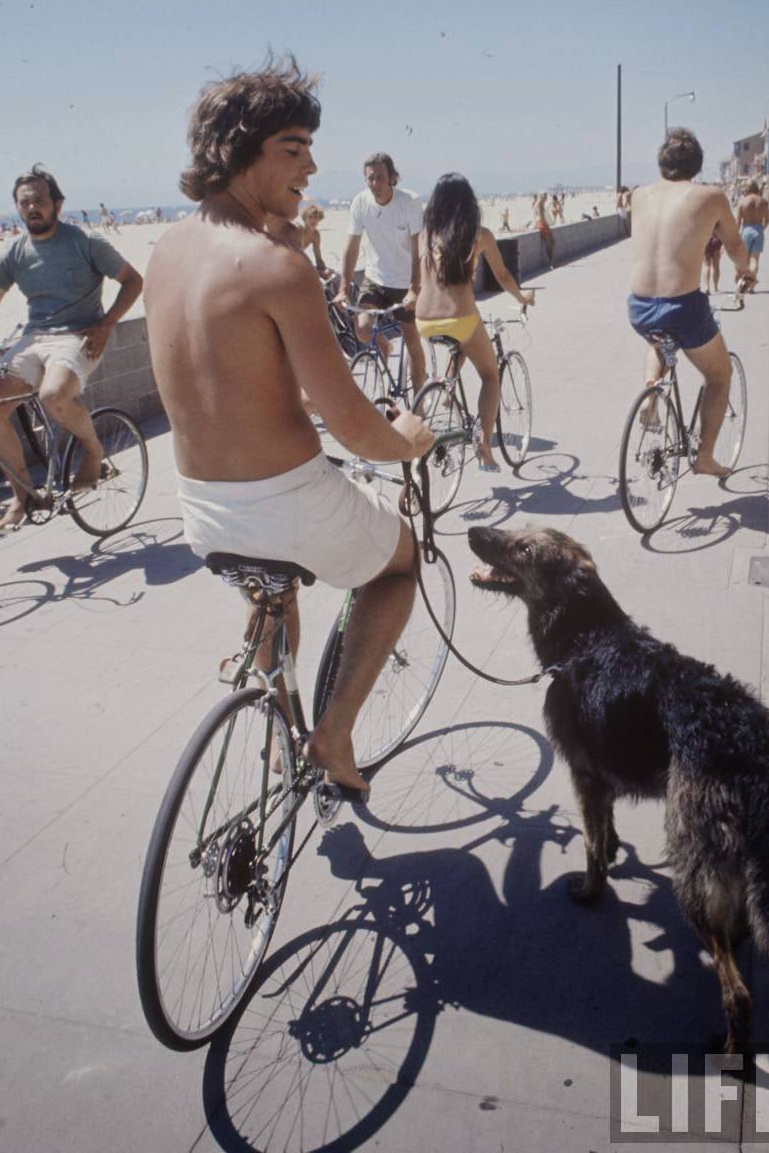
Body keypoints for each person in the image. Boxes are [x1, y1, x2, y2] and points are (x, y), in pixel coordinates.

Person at [143, 60, 433, 794]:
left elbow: (215, 376)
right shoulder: (275, 265)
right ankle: (332, 738)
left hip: (203, 510)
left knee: (274, 596)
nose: (310, 163)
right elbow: (355, 426)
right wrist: (408, 440)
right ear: (241, 148)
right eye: (293, 146)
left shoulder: (167, 251)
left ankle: (278, 733)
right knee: (397, 566)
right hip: (286, 501)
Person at [0, 165, 143, 528]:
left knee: (54, 395)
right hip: (33, 337)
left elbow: (134, 281)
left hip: (78, 335)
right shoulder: (14, 253)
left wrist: (107, 325)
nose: (32, 208)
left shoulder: (86, 243)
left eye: (39, 200)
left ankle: (92, 450)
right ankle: (24, 496)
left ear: (57, 204)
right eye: (24, 203)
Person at [628, 128, 754, 478]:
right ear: (696, 165)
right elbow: (734, 246)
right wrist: (746, 271)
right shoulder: (711, 196)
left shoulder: (638, 195)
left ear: (661, 161)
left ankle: (652, 392)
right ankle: (705, 458)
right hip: (683, 306)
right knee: (719, 375)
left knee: (659, 339)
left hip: (639, 305)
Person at [416, 173, 535, 473]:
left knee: (465, 344)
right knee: (490, 375)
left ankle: (445, 389)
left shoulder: (425, 234)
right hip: (460, 317)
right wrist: (522, 298)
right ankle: (484, 446)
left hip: (424, 320)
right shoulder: (479, 235)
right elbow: (504, 276)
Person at [335, 153, 427, 397]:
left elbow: (419, 250)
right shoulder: (360, 202)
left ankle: (418, 406)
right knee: (363, 329)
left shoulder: (410, 202)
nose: (375, 184)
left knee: (412, 340)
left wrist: (414, 289)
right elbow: (352, 246)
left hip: (406, 281)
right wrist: (343, 288)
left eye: (380, 178)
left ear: (393, 178)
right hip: (376, 279)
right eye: (370, 178)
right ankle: (384, 347)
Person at [736, 179, 769, 290]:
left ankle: (744, 284)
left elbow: (738, 222)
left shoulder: (742, 202)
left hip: (746, 230)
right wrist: (761, 229)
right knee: (754, 260)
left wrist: (735, 237)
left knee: (745, 260)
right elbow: (768, 219)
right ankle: (752, 287)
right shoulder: (763, 201)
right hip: (758, 229)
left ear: (748, 189)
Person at [533, 192, 556, 267]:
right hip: (542, 224)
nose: (546, 198)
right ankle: (551, 262)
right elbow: (542, 217)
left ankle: (551, 261)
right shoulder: (540, 204)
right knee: (550, 242)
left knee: (550, 242)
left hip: (540, 223)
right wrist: (547, 225)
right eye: (545, 196)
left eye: (546, 196)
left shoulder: (539, 203)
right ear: (542, 197)